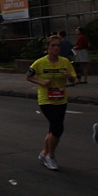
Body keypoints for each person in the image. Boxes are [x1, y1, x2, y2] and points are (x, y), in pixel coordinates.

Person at [26, 36, 77, 170]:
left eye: (58, 46)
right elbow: (28, 76)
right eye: (53, 45)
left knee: (53, 130)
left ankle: (44, 153)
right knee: (58, 127)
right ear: (47, 48)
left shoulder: (65, 62)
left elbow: (73, 80)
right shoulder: (39, 63)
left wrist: (69, 77)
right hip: (46, 99)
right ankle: (51, 156)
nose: (56, 48)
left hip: (61, 99)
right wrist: (41, 82)